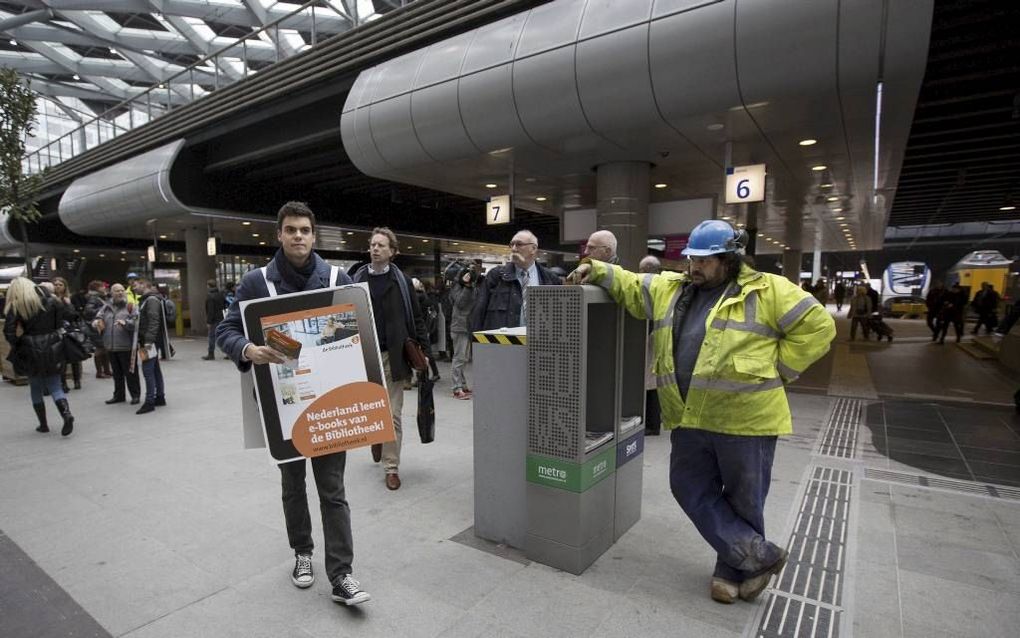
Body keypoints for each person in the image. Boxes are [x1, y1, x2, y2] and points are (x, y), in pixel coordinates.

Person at [567, 219, 835, 605]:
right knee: (687, 485)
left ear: (729, 260)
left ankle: (731, 573)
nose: (694, 267)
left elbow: (819, 327)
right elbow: (630, 284)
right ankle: (757, 556)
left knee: (745, 499)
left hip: (747, 418)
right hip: (690, 416)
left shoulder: (769, 289)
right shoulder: (672, 289)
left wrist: (778, 369)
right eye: (691, 258)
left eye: (704, 261)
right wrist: (596, 268)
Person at [217, 201, 370, 606]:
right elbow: (227, 328)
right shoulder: (256, 283)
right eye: (291, 230)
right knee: (292, 485)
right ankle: (303, 553)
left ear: (313, 235)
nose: (298, 236)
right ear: (279, 235)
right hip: (282, 403)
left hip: (329, 402)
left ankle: (342, 574)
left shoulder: (338, 277)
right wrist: (248, 348)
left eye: (304, 230)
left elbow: (360, 334)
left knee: (333, 489)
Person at [351, 227, 431, 491]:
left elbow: (417, 319)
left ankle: (391, 467)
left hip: (394, 355)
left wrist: (426, 353)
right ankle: (378, 437)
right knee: (373, 410)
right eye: (373, 244)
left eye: (381, 245)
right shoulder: (356, 278)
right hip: (364, 355)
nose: (375, 249)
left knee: (392, 414)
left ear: (392, 252)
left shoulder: (402, 281)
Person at [3, 277, 78, 436]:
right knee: (56, 385)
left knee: (35, 386)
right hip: (53, 345)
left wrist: (18, 344)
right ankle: (67, 415)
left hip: (30, 348)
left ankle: (43, 424)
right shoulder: (52, 301)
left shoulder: (17, 305)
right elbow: (61, 323)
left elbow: (8, 331)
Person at [471, 229, 561, 331]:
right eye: (511, 244)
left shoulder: (550, 279)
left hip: (539, 342)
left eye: (519, 244)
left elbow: (559, 317)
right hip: (502, 343)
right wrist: (476, 344)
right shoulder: (496, 276)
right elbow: (478, 313)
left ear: (533, 248)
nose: (513, 249)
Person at [93, 283, 141, 405]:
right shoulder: (106, 307)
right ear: (112, 293)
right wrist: (96, 323)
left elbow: (136, 323)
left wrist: (126, 323)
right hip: (111, 346)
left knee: (131, 373)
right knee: (117, 374)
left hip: (126, 346)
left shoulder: (131, 306)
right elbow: (97, 318)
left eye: (122, 290)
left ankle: (135, 395)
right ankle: (119, 395)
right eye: (117, 291)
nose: (120, 293)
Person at [134, 279, 167, 414]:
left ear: (144, 285)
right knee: (154, 369)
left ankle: (150, 401)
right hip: (149, 340)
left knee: (147, 370)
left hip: (148, 341)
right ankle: (159, 397)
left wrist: (148, 341)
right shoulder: (148, 300)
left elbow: (154, 321)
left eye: (135, 285)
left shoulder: (151, 300)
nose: (133, 288)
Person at [638, 254, 662, 435]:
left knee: (649, 381)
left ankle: (652, 424)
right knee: (654, 379)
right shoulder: (665, 285)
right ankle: (655, 421)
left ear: (645, 270)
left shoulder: (647, 284)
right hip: (660, 335)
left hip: (651, 335)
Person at [449, 264, 478, 400]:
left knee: (464, 359)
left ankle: (463, 385)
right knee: (459, 358)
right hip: (459, 327)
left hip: (467, 327)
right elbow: (460, 303)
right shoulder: (456, 287)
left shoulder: (471, 287)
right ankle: (456, 388)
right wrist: (466, 286)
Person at [51, 276, 83, 392]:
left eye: (60, 284)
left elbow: (74, 315)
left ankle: (77, 380)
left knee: (74, 356)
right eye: (56, 284)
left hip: (70, 331)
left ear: (65, 287)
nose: (58, 286)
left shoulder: (68, 299)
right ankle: (63, 382)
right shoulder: (50, 299)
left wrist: (68, 305)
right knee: (61, 358)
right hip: (56, 331)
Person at [82, 281, 113, 379]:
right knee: (100, 349)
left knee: (105, 348)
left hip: (101, 326)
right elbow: (88, 311)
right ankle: (100, 372)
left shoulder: (100, 297)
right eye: (102, 286)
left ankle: (106, 370)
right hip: (96, 326)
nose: (104, 288)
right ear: (97, 288)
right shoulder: (94, 298)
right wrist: (103, 309)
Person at [202, 279, 226, 360]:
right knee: (223, 336)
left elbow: (210, 310)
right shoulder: (221, 294)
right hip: (222, 318)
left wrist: (209, 321)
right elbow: (224, 306)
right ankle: (229, 353)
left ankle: (211, 354)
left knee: (211, 336)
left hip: (214, 320)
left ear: (208, 286)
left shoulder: (209, 296)